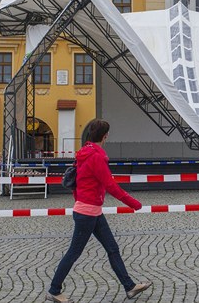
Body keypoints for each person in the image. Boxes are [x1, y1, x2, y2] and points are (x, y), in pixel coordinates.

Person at [47, 120, 152, 303]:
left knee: (112, 248)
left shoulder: (84, 154)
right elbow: (110, 186)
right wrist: (134, 203)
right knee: (74, 252)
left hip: (91, 211)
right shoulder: (96, 157)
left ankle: (129, 287)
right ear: (105, 136)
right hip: (87, 213)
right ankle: (54, 290)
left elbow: (77, 185)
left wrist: (81, 202)